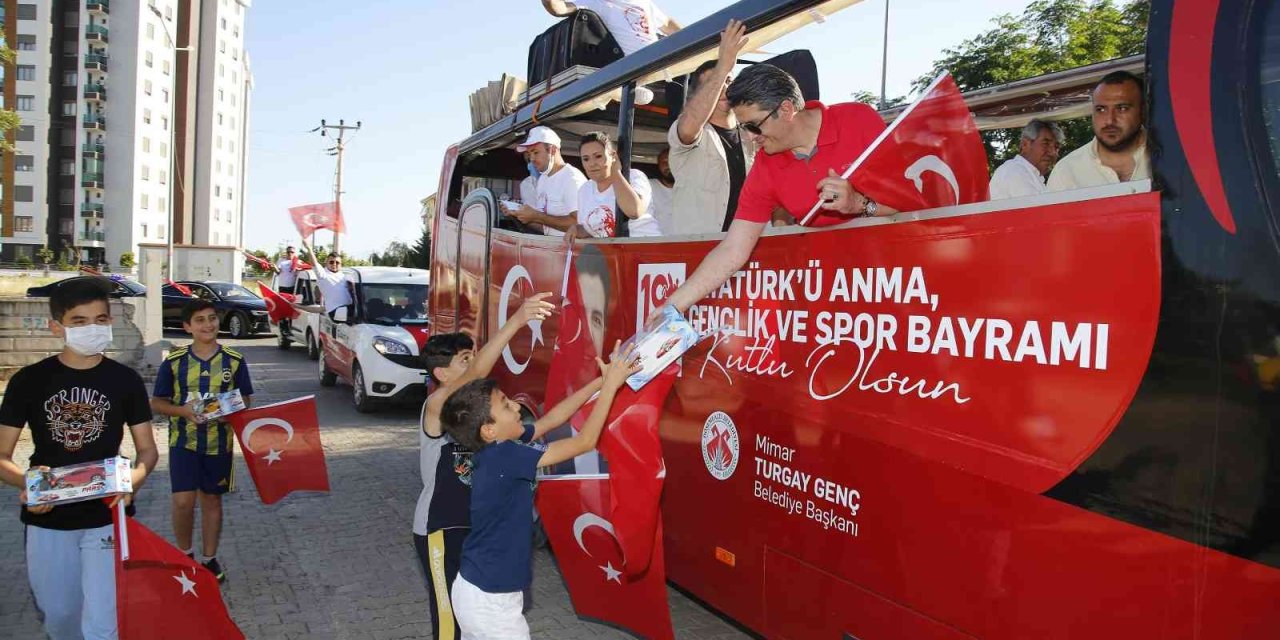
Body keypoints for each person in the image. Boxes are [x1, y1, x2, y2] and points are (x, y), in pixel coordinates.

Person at [656, 61, 897, 321]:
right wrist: (672, 307)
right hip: (830, 296)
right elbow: (733, 250)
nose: (749, 137)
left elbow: (923, 206)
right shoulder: (766, 165)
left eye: (753, 126)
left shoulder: (858, 120)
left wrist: (860, 205)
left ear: (785, 109)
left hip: (896, 286)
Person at [0, 277, 159, 639]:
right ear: (57, 326)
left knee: (104, 623)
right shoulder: (29, 381)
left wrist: (132, 481)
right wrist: (29, 484)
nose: (93, 328)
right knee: (61, 616)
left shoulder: (126, 380)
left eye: (101, 319)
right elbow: (2, 456)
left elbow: (147, 450)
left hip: (107, 516)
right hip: (49, 522)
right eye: (79, 321)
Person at [445, 344, 640, 640]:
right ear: (488, 430)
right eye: (505, 404)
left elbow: (551, 420)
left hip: (479, 590)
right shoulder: (505, 457)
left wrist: (602, 380)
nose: (515, 405)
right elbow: (584, 442)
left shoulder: (497, 450)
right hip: (490, 603)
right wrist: (612, 386)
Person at [413, 294, 555, 640]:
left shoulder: (478, 414)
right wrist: (518, 319)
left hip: (476, 530)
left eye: (472, 356)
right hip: (441, 531)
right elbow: (479, 373)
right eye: (464, 360)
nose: (474, 364)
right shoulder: (437, 406)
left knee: (478, 618)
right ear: (442, 373)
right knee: (450, 625)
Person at [150, 299, 254, 584]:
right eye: (199, 320)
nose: (207, 325)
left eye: (211, 318)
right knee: (183, 502)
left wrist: (225, 413)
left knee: (211, 500)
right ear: (187, 327)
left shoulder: (234, 360)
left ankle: (209, 559)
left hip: (219, 445)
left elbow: (244, 399)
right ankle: (185, 555)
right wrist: (182, 411)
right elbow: (158, 402)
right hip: (183, 442)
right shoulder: (174, 362)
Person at [667, 20, 755, 235]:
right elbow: (688, 129)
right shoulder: (688, 130)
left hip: (747, 248)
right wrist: (724, 66)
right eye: (715, 83)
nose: (723, 87)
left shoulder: (752, 136)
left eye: (728, 81)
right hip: (700, 249)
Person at [1047, 71, 1150, 191]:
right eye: (1101, 109)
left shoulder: (1171, 156)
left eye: (1122, 108)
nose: (1110, 120)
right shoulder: (1067, 171)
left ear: (1143, 111)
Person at [571, 131, 662, 238]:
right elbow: (594, 231)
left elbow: (634, 211)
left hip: (645, 250)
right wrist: (577, 230)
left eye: (598, 156)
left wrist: (616, 172)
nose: (592, 163)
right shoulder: (584, 190)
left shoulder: (634, 176)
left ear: (613, 156)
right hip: (613, 252)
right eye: (586, 159)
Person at [504, 127, 588, 237]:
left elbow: (581, 226)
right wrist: (518, 214)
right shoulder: (543, 179)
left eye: (536, 152)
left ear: (552, 150)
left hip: (574, 252)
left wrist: (537, 217)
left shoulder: (571, 178)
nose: (532, 159)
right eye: (529, 154)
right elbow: (547, 227)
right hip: (553, 248)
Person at [540, 0, 680, 57]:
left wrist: (700, 37)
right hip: (632, 69)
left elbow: (667, 24)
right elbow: (559, 9)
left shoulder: (643, 2)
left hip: (661, 62)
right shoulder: (593, 2)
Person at [989, 119, 1064, 200]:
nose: (1053, 153)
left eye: (1056, 147)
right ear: (1025, 144)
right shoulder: (1015, 170)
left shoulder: (1031, 174)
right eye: (1045, 144)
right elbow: (1039, 211)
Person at [301, 238, 353, 320]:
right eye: (331, 262)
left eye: (337, 262)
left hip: (349, 309)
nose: (334, 264)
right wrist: (309, 248)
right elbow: (314, 263)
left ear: (341, 264)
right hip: (336, 312)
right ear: (326, 263)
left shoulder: (345, 275)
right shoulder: (323, 274)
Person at [649, 147, 675, 233]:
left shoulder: (692, 189)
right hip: (655, 242)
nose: (669, 165)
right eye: (665, 161)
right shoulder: (648, 186)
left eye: (673, 160)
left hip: (686, 242)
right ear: (658, 165)